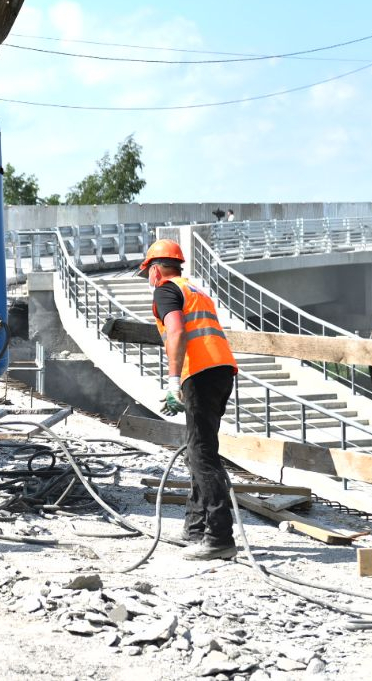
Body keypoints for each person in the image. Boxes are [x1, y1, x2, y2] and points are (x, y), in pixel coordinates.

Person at [140, 238, 240, 560]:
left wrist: (172, 383)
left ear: (155, 271)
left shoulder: (166, 291)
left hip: (200, 373)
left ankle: (220, 537)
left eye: (148, 275)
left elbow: (177, 332)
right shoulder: (195, 291)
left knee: (200, 454)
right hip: (222, 371)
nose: (149, 281)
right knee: (201, 448)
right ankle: (195, 527)